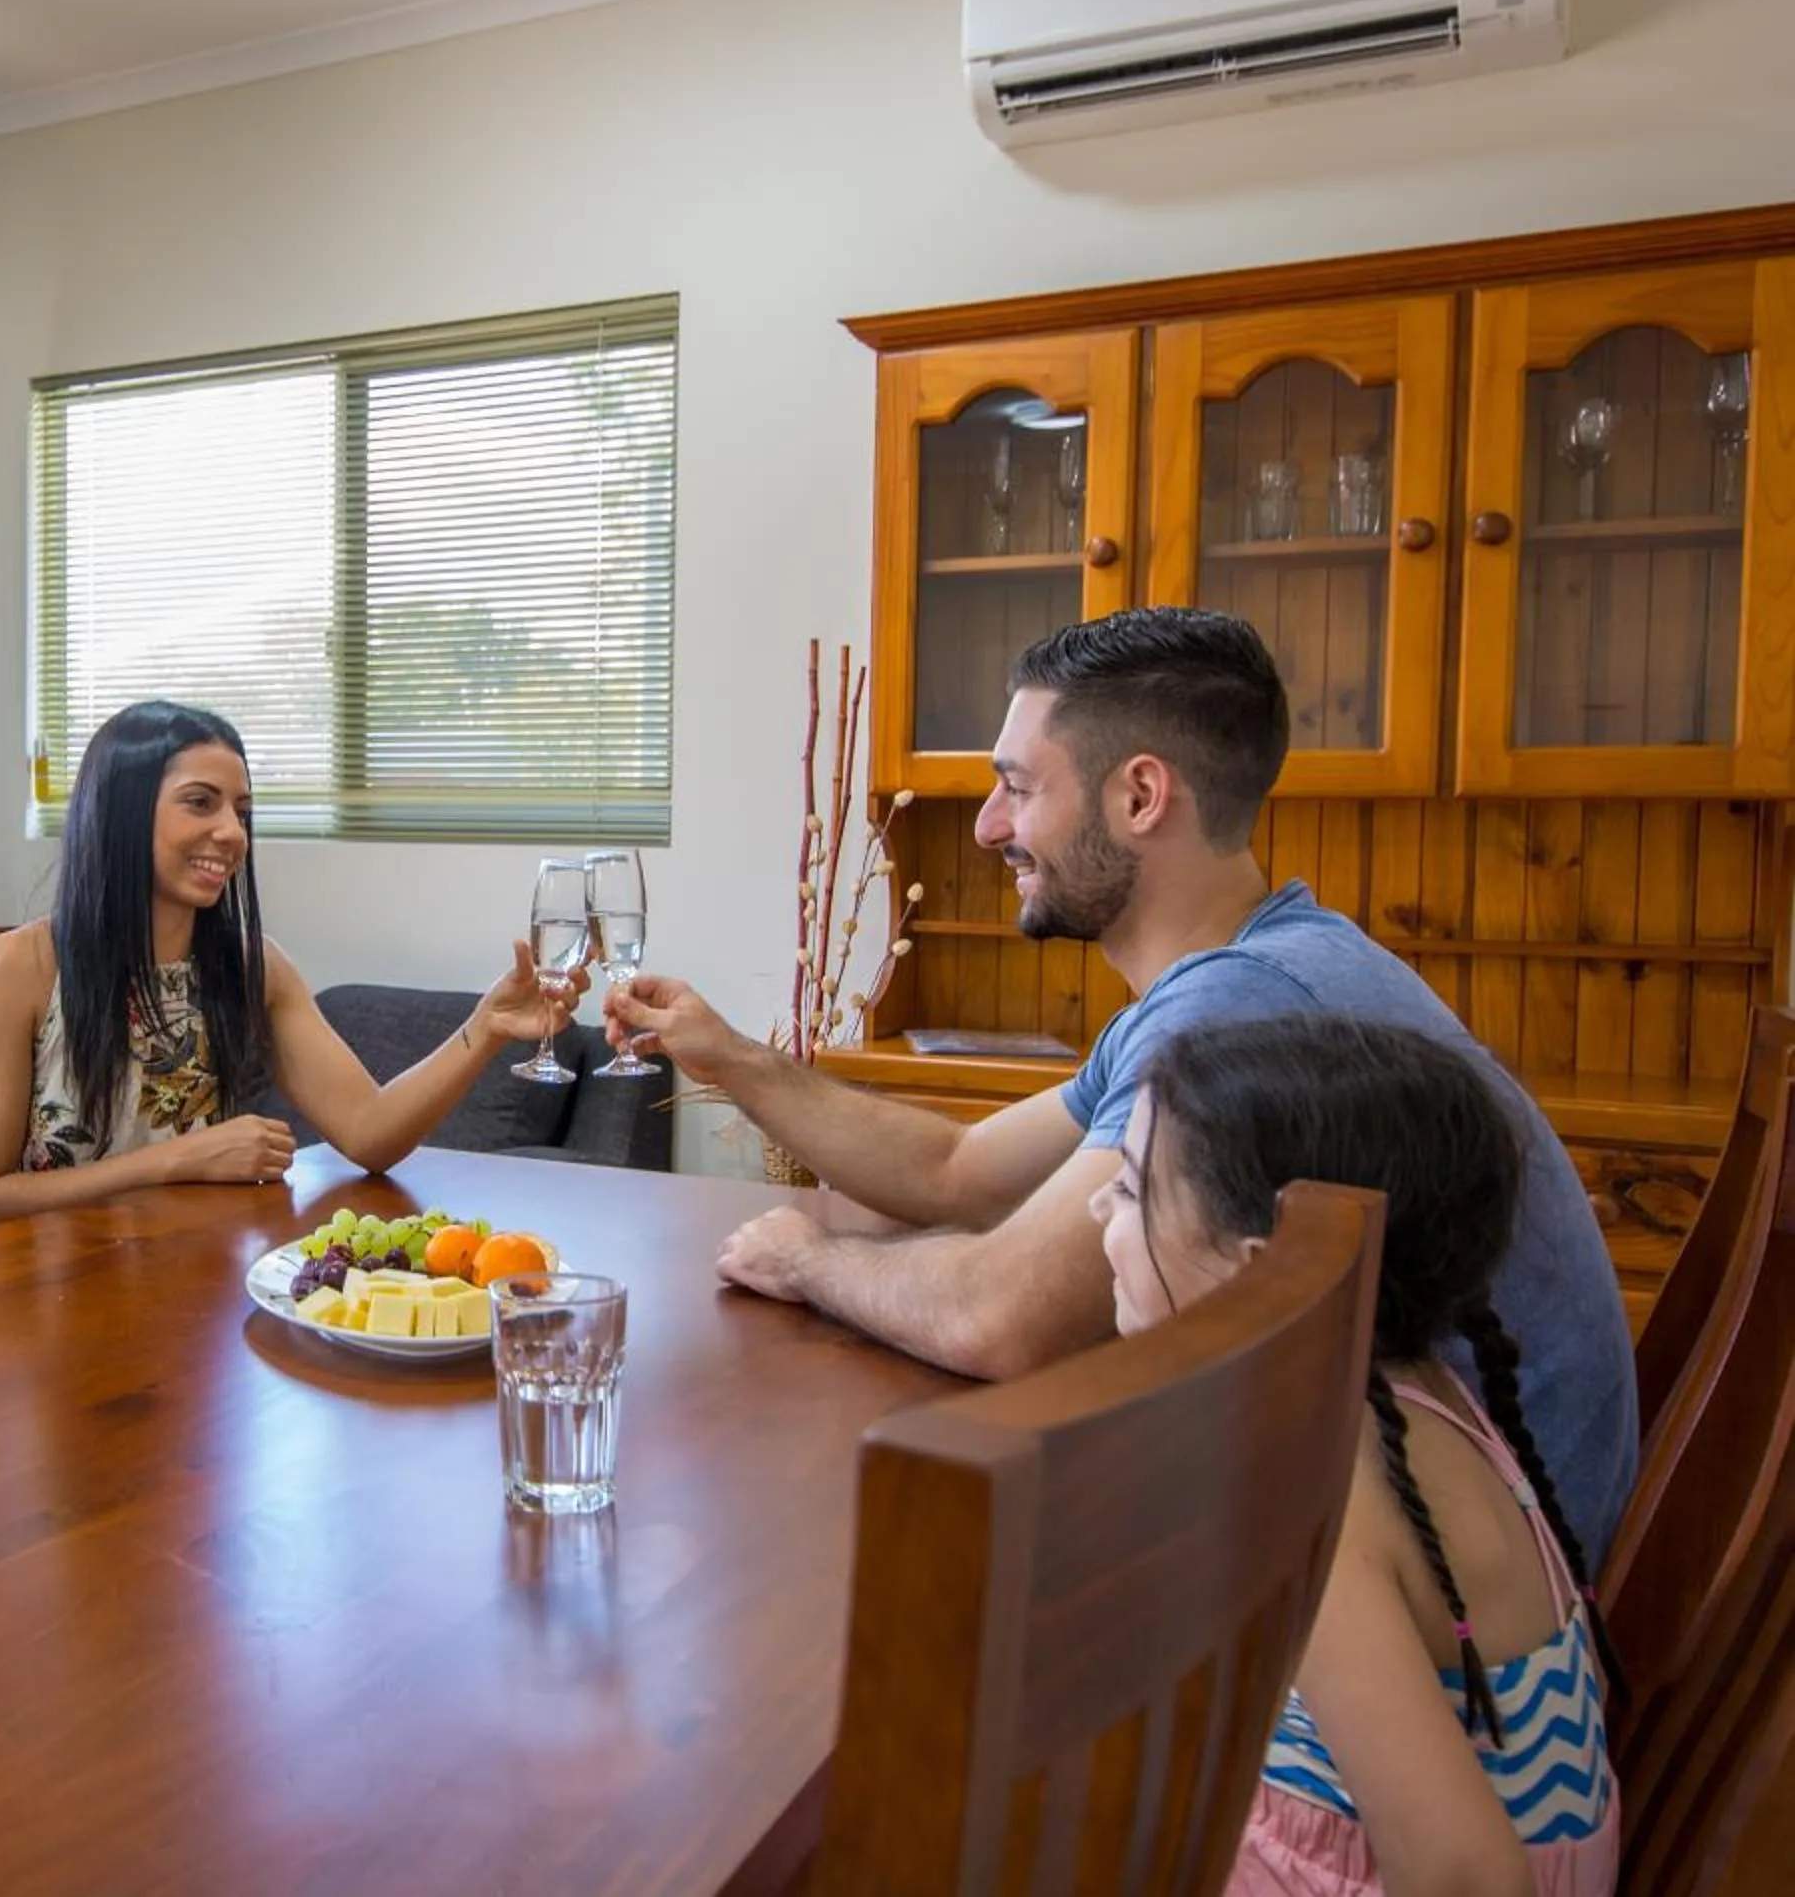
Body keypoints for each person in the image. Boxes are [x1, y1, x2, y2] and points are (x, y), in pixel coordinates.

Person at [606, 608, 1636, 1564]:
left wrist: (809, 1256)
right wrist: (731, 1054)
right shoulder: (1251, 966)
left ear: (1140, 796)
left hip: (1478, 1612)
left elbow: (997, 1315)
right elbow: (958, 1168)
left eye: (1019, 784)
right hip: (1450, 1539)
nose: (987, 827)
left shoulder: (1242, 1007)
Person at [1102, 1012, 1617, 1895]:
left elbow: (1470, 1877)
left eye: (1128, 1189)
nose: (1096, 1210)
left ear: (1259, 1268)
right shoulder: (1416, 1394)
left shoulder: (1309, 1478)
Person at [0, 700, 581, 1232]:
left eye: (241, 811)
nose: (231, 833)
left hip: (188, 1301)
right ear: (122, 812)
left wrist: (484, 1029)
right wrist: (180, 1159)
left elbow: (371, 1132)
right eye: (200, 802)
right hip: (35, 1305)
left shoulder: (254, 967)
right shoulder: (16, 969)